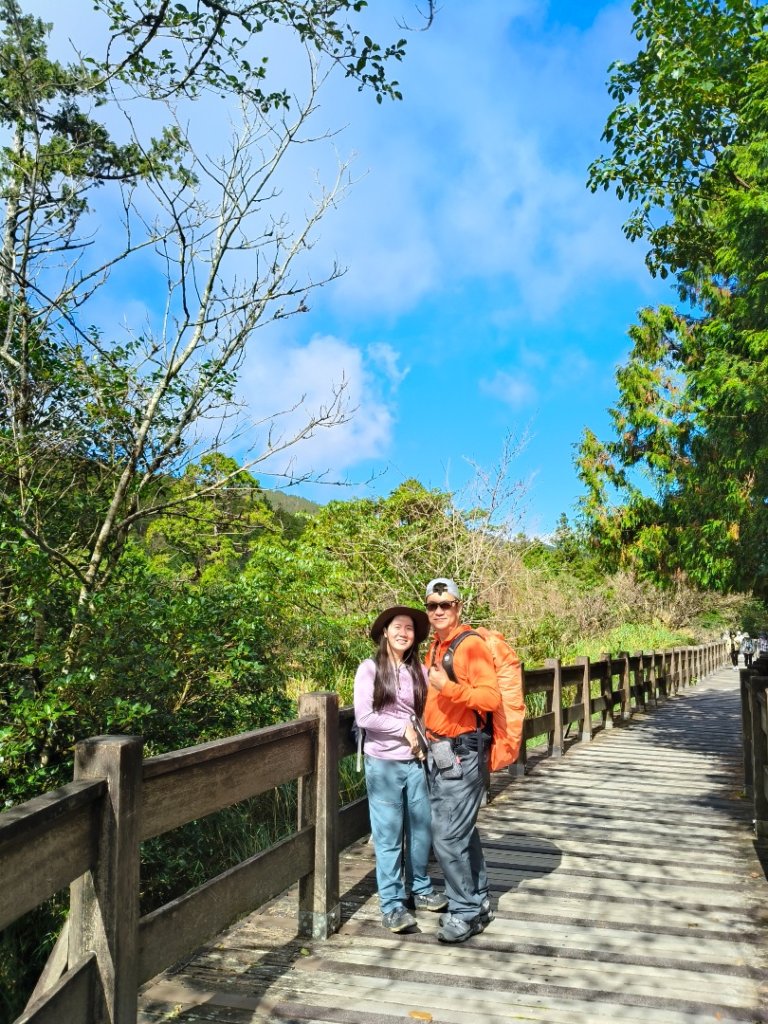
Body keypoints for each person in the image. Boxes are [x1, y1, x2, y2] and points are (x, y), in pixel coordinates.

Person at [353, 604, 448, 933]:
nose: (403, 632)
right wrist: (403, 728)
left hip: (416, 762)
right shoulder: (369, 669)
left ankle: (419, 889)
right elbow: (364, 716)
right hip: (382, 763)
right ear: (384, 632)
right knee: (389, 836)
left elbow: (432, 712)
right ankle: (392, 904)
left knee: (421, 831)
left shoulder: (420, 672)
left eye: (409, 628)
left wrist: (428, 738)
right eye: (397, 626)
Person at [422, 577, 501, 943]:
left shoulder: (469, 647)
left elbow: (489, 699)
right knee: (461, 831)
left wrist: (445, 687)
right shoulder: (438, 646)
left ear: (458, 606)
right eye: (432, 605)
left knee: (448, 835)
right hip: (441, 750)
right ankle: (478, 900)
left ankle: (465, 912)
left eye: (446, 604)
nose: (438, 611)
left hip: (462, 751)